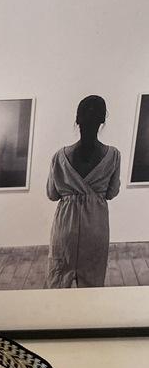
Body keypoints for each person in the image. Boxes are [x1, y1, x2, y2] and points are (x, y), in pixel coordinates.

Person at [46, 95, 121, 289]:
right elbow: (112, 192)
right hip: (96, 226)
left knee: (58, 283)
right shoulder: (113, 155)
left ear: (77, 120)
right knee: (92, 286)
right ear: (102, 120)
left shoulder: (59, 156)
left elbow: (52, 194)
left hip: (66, 227)